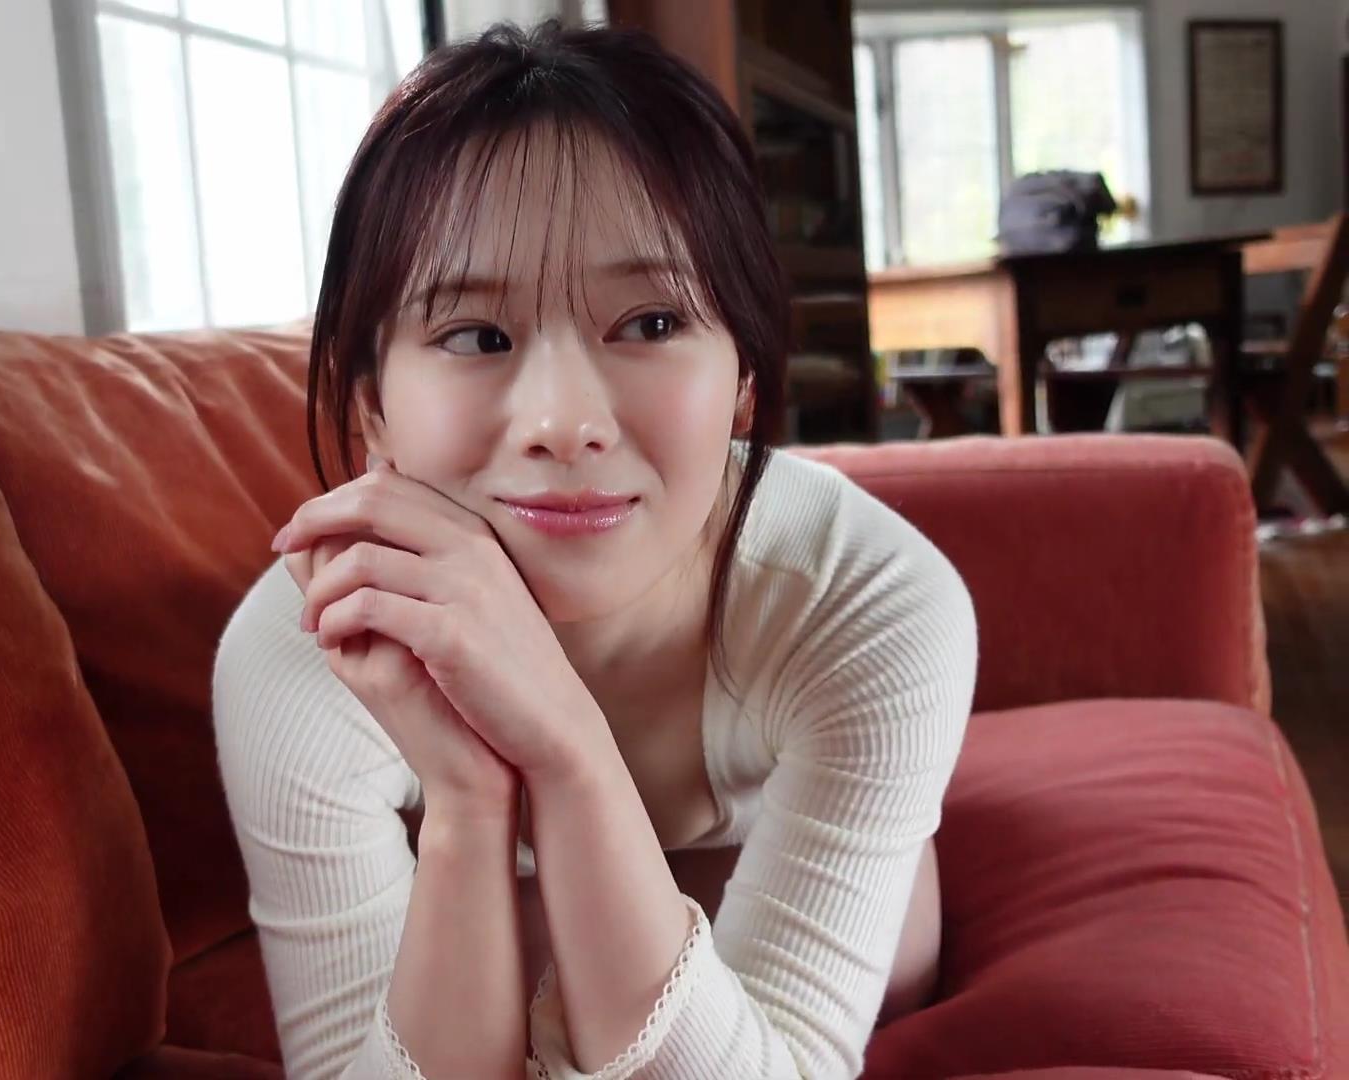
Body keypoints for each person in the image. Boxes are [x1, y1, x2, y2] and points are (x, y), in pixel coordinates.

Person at [212, 20, 977, 1080]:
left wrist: (568, 750)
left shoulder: (867, 602)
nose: (564, 424)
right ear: (370, 406)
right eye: (477, 337)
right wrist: (469, 803)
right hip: (499, 914)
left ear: (743, 379)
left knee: (894, 944)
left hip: (775, 872)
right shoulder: (303, 651)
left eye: (652, 323)